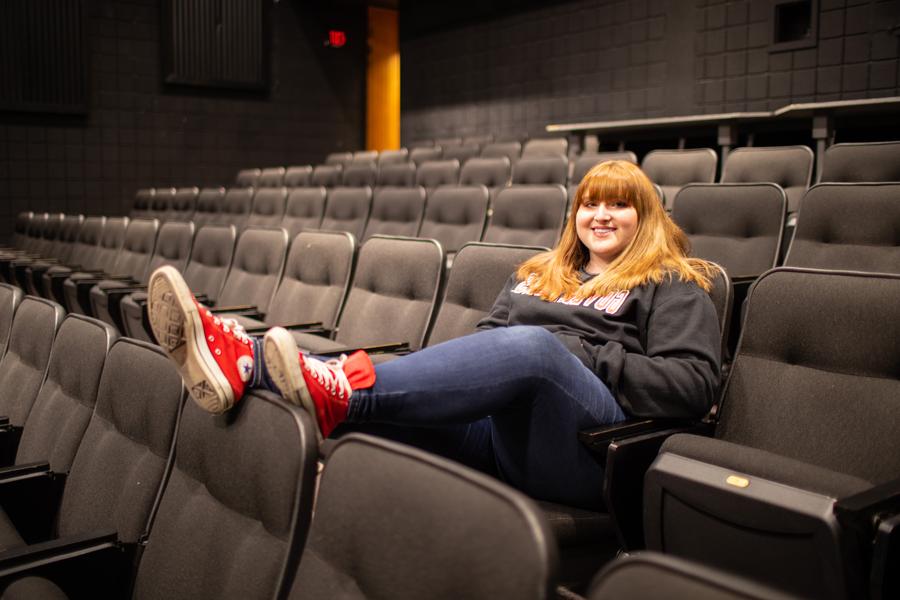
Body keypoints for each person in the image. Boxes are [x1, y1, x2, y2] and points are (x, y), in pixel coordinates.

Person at [147, 160, 720, 509]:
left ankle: (313, 376)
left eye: (618, 205)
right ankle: (246, 365)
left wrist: (578, 353)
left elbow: (692, 387)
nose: (599, 214)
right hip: (499, 438)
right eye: (588, 204)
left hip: (585, 454)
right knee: (365, 424)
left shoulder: (672, 285)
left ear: (646, 217)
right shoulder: (537, 276)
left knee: (535, 349)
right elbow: (486, 347)